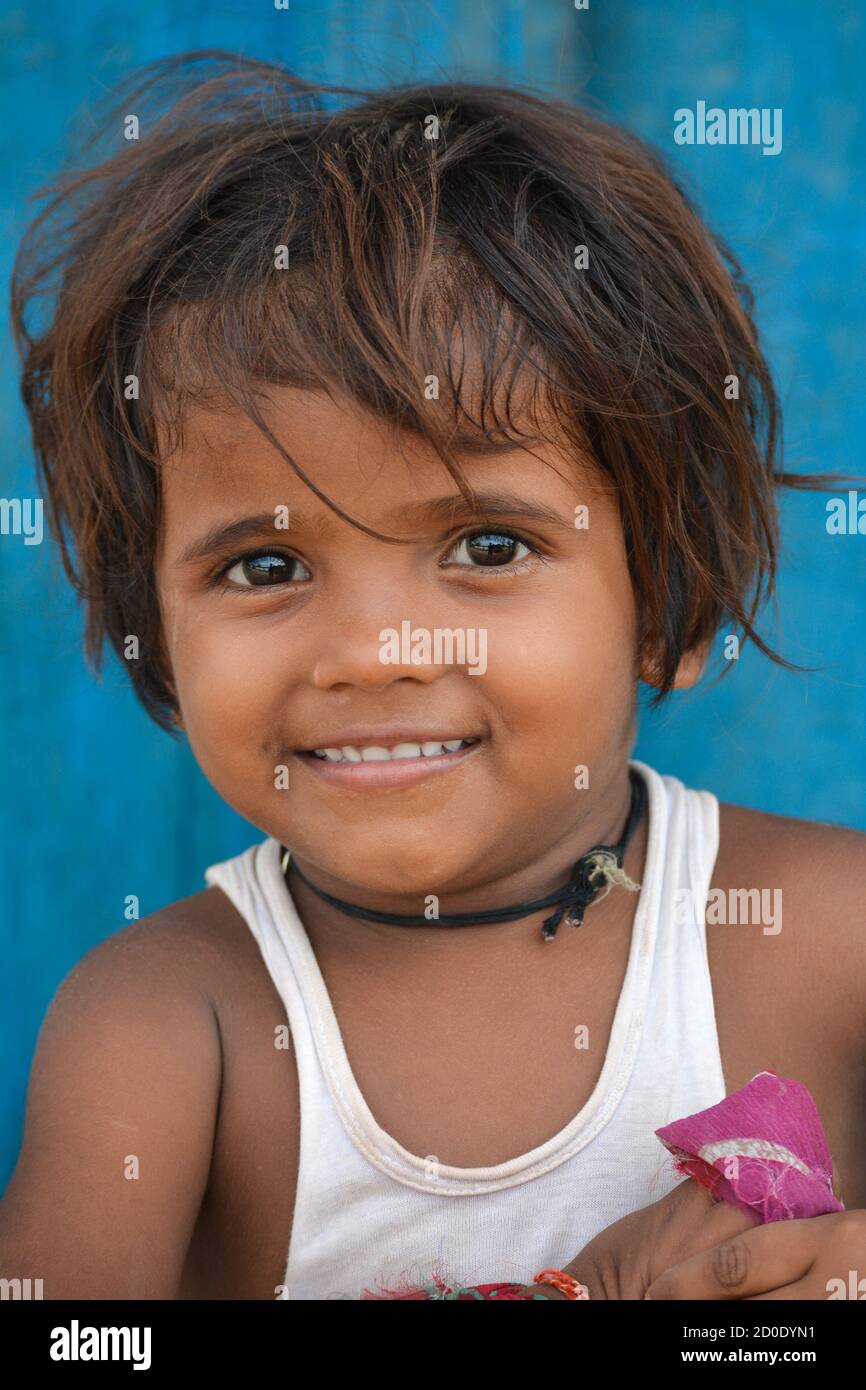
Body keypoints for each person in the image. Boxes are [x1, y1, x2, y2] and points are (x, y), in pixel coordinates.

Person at [3, 52, 864, 1300]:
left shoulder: (821, 938)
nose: (372, 652)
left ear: (663, 596)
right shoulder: (163, 1028)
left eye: (488, 546)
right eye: (263, 565)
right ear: (157, 627)